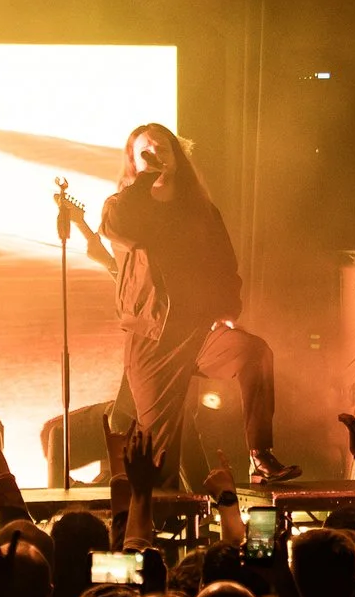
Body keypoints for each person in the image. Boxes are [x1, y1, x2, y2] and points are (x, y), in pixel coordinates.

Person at [98, 123, 297, 485]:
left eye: (162, 150)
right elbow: (117, 228)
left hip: (200, 333)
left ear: (177, 156)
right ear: (132, 162)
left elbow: (225, 267)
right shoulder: (125, 206)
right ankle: (161, 525)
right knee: (160, 455)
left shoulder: (201, 210)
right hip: (153, 340)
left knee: (254, 352)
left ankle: (260, 455)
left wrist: (226, 314)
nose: (155, 157)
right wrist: (144, 180)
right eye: (145, 152)